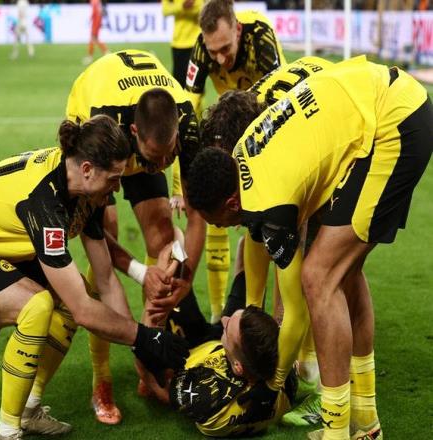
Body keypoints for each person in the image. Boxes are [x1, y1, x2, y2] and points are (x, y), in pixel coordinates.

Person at [185, 56, 433, 440]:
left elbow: (296, 310)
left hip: (391, 122)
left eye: (217, 221)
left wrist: (272, 386)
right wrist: (248, 314)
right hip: (378, 108)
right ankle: (364, 422)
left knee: (318, 277)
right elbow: (256, 254)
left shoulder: (268, 201)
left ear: (231, 203)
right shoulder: (243, 166)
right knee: (342, 271)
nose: (221, 228)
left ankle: (337, 430)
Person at [0, 115, 189, 440]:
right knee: (38, 306)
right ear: (87, 169)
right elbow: (84, 310)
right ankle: (7, 432)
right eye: (114, 178)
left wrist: (143, 346)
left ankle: (29, 410)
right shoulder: (45, 204)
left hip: (5, 252)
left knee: (70, 298)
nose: (117, 188)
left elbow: (106, 280)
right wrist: (145, 337)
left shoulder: (83, 189)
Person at [66, 49, 205, 424]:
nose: (161, 166)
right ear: (134, 135)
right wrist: (143, 274)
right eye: (154, 157)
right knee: (105, 236)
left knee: (164, 239)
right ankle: (102, 379)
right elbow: (95, 236)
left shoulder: (186, 120)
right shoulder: (103, 123)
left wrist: (184, 278)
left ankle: (152, 357)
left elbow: (196, 215)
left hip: (141, 125)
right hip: (95, 114)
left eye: (168, 156)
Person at [173, 0, 286, 325]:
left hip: (267, 119)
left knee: (271, 223)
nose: (220, 59)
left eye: (225, 49)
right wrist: (181, 187)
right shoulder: (202, 47)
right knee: (215, 206)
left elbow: (277, 103)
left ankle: (279, 318)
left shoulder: (260, 36)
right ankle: (219, 314)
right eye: (214, 52)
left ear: (237, 30)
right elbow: (188, 109)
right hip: (228, 121)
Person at [136, 237, 297, 437]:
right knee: (246, 247)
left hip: (188, 349)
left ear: (238, 367)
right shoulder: (284, 378)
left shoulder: (207, 400)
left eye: (227, 325)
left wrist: (148, 327)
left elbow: (158, 386)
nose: (224, 319)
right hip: (230, 347)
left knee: (169, 258)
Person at [161, 0, 203, 88]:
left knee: (196, 82)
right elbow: (165, 10)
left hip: (195, 42)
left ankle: (195, 98)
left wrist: (186, 8)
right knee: (178, 81)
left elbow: (202, 10)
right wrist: (182, 7)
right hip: (178, 43)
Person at [83, 0, 108, 66]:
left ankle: (90, 56)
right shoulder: (97, 1)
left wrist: (91, 19)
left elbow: (95, 12)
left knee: (93, 38)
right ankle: (105, 52)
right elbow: (100, 11)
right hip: (97, 20)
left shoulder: (94, 1)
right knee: (94, 39)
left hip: (96, 21)